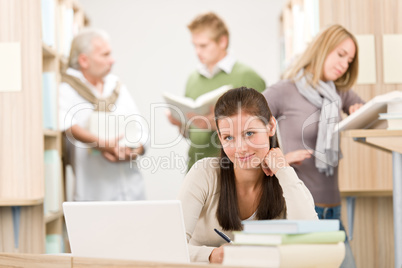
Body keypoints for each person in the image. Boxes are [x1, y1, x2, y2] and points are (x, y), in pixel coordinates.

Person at [263, 24, 364, 268]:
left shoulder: (338, 92)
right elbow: (245, 125)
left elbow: (365, 110)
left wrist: (357, 111)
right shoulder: (284, 90)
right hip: (299, 210)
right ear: (322, 48)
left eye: (349, 60)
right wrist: (280, 159)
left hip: (333, 209)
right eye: (341, 55)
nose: (344, 65)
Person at [178, 87, 318, 263]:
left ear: (271, 126)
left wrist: (283, 170)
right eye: (229, 137)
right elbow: (169, 247)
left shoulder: (286, 181)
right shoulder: (204, 174)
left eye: (249, 133)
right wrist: (212, 255)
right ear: (220, 138)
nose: (240, 148)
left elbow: (310, 239)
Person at [167, 12, 266, 170]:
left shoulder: (247, 76)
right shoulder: (193, 79)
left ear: (222, 41)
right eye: (195, 46)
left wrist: (221, 126)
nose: (197, 52)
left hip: (233, 172)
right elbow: (193, 134)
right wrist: (181, 124)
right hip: (196, 167)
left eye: (203, 46)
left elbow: (263, 130)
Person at [59, 28, 148, 201]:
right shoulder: (65, 89)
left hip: (131, 188)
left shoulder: (116, 86)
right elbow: (66, 126)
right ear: (84, 60)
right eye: (105, 55)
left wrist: (135, 150)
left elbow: (140, 126)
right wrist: (103, 144)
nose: (112, 60)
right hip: (94, 192)